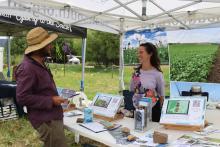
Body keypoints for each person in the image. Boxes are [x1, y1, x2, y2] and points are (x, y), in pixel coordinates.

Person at [15, 27, 67, 147]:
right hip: (46, 120)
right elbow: (22, 97)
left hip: (51, 117)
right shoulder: (27, 68)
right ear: (39, 47)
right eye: (48, 44)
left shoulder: (39, 62)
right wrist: (51, 100)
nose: (51, 46)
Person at [130, 42, 165, 122]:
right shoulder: (136, 73)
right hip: (138, 110)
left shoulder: (157, 74)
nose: (138, 54)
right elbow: (132, 91)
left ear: (150, 54)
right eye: (138, 52)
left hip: (153, 112)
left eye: (141, 52)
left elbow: (161, 96)